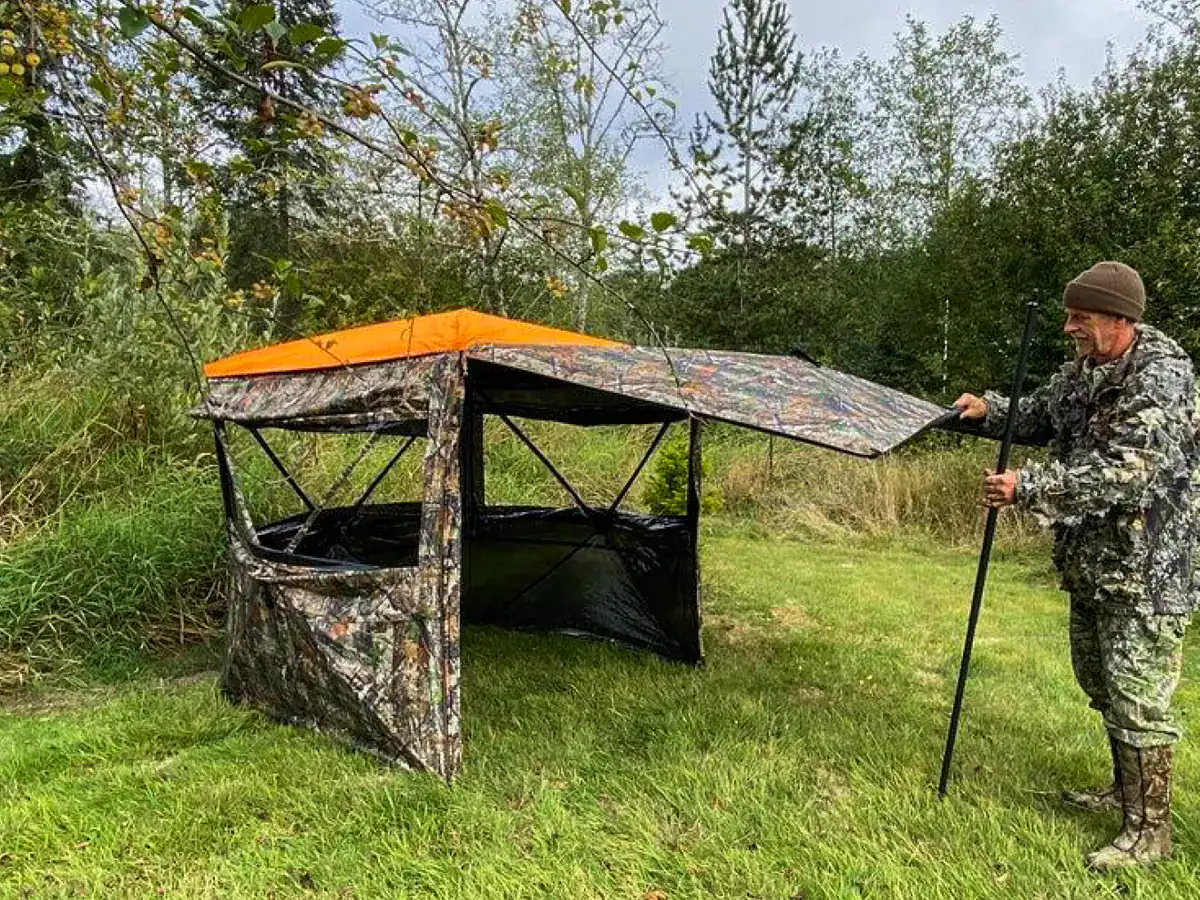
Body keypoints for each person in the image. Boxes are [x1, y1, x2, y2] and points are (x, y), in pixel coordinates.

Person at [953, 261, 1198, 871]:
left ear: (1120, 319)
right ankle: (1122, 793)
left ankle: (1150, 832)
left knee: (1138, 698)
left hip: (1148, 569)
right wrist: (990, 411)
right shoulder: (1086, 370)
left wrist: (1029, 488)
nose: (1068, 328)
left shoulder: (1161, 379)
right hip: (1096, 562)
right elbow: (1042, 413)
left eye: (1080, 318)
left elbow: (1126, 470)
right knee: (1101, 682)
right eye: (1067, 317)